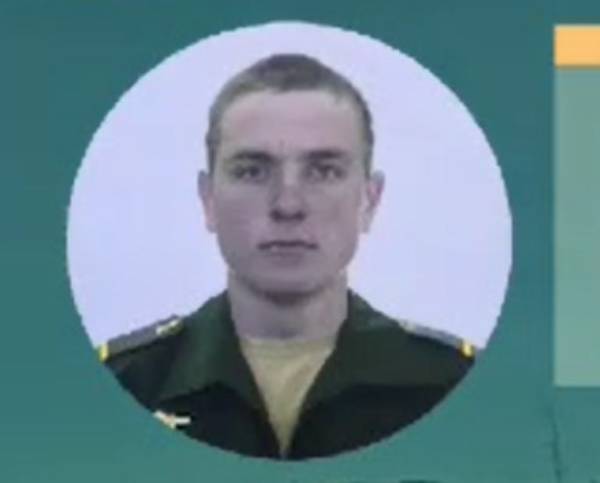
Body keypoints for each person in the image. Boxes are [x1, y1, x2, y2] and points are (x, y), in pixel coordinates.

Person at [100, 53, 476, 459]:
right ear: (208, 200)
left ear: (369, 200)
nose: (288, 205)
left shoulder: (454, 384)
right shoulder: (124, 383)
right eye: (252, 171)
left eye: (324, 171)